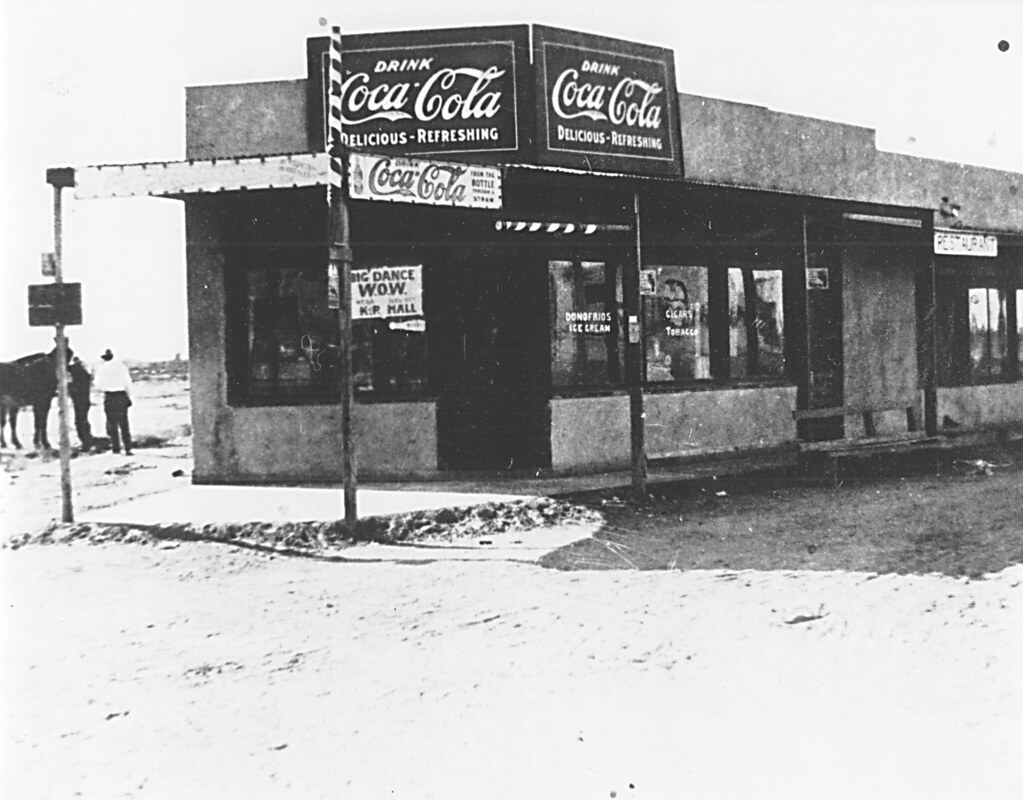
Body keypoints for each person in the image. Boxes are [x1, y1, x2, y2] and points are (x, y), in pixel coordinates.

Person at [94, 349, 133, 455]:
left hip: (110, 396)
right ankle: (128, 448)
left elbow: (98, 385)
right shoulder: (122, 367)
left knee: (112, 424)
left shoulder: (101, 369)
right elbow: (128, 383)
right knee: (124, 423)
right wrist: (129, 397)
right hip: (121, 395)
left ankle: (116, 448)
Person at [67, 356, 93, 451]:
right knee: (83, 421)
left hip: (80, 402)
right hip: (85, 402)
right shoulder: (85, 374)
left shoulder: (77, 375)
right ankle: (87, 441)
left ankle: (86, 443)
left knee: (80, 422)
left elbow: (74, 389)